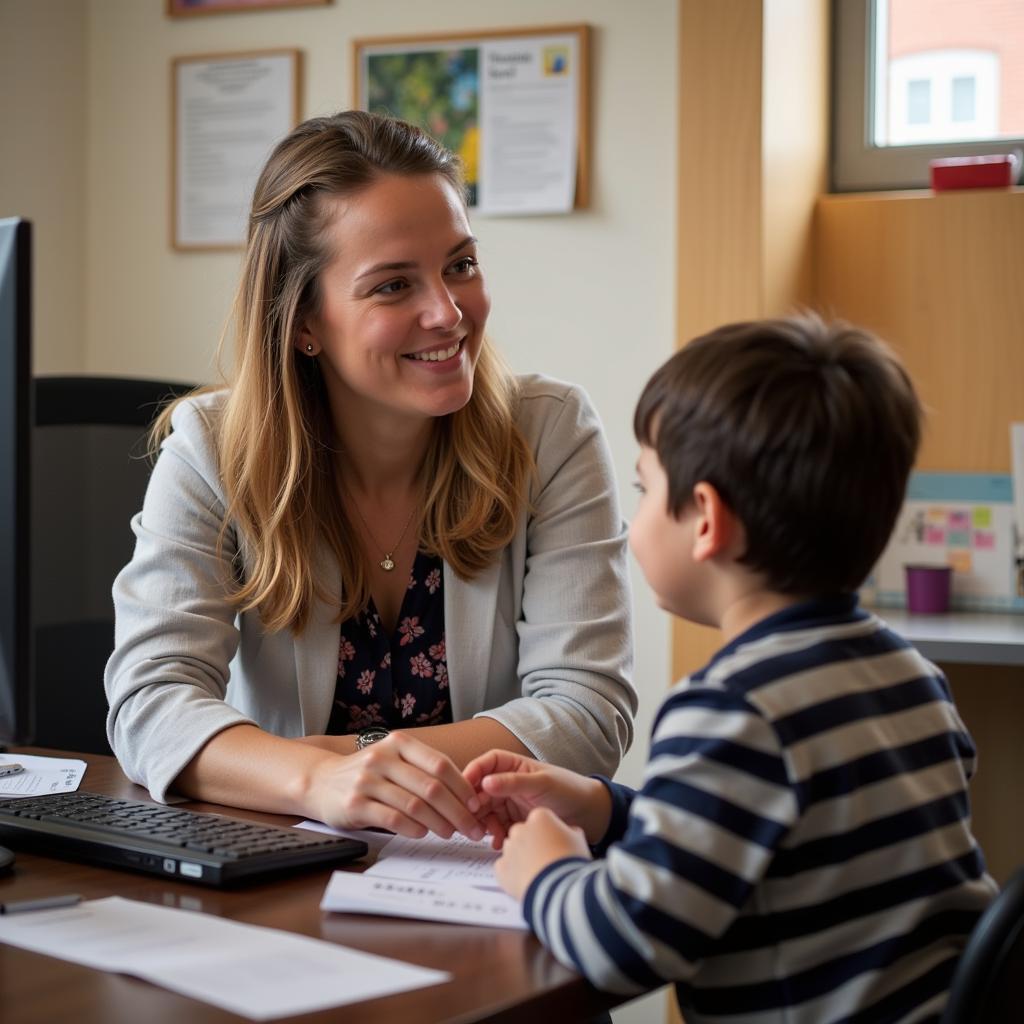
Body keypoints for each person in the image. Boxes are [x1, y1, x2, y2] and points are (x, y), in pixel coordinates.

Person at [104, 110, 636, 840]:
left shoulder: (549, 433)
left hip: (491, 873)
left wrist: (335, 759)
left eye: (461, 265)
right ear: (304, 324)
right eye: (392, 286)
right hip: (276, 866)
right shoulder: (212, 449)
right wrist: (322, 781)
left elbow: (587, 714)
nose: (447, 313)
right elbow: (151, 702)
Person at [465, 316, 997, 1022]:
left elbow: (630, 943)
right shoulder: (914, 679)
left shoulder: (734, 709)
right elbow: (761, 840)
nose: (638, 517)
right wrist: (599, 807)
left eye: (645, 487)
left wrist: (546, 874)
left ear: (706, 520)